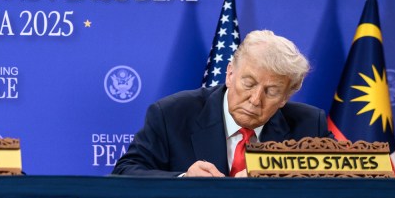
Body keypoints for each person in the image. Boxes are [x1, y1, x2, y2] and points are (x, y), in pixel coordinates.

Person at [113, 29, 332, 177]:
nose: (256, 100)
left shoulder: (310, 125)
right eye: (249, 84)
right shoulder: (172, 114)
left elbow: (348, 179)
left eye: (272, 91)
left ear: (285, 97)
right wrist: (183, 179)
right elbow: (124, 172)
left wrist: (278, 175)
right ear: (229, 74)